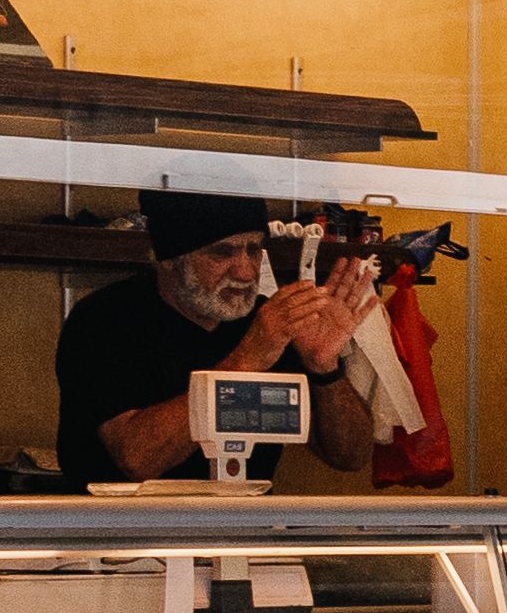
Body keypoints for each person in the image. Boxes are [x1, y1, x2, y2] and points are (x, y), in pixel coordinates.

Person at [58, 195, 377, 484]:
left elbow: (350, 457)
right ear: (169, 257)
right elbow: (137, 459)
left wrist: (324, 368)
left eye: (253, 250)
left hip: (240, 529)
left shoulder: (268, 322)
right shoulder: (106, 318)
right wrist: (247, 360)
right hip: (120, 534)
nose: (245, 273)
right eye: (222, 252)